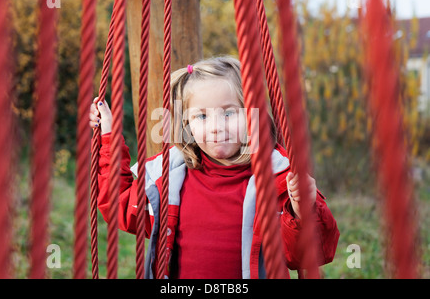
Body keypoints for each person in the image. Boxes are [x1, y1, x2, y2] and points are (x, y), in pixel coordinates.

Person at [89, 56, 339, 279]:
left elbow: (309, 255)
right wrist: (109, 137)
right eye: (202, 116)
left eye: (229, 113)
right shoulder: (169, 176)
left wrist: (301, 210)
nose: (216, 127)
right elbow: (118, 206)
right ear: (186, 123)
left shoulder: (280, 179)